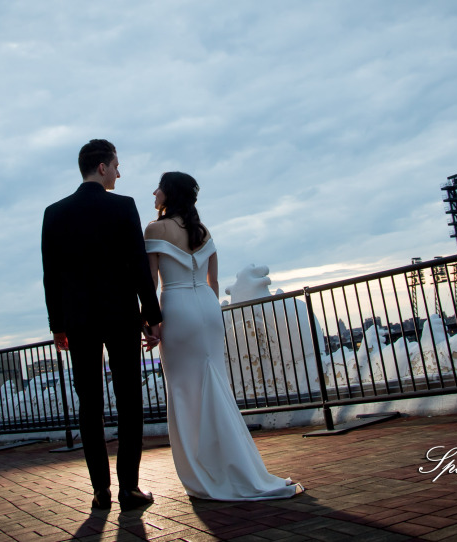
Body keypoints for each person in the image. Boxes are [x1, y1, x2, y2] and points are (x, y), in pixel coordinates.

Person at [144, 172, 303, 501]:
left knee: (184, 392)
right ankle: (236, 465)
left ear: (170, 193)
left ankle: (203, 472)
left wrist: (151, 324)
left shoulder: (154, 229)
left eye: (159, 187)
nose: (154, 192)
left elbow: (151, 285)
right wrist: (206, 308)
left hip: (177, 309)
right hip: (207, 308)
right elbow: (213, 283)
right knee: (215, 384)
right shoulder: (204, 232)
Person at [41, 139, 162, 512]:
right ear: (103, 167)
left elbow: (51, 275)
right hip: (121, 315)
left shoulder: (55, 212)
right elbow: (139, 267)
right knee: (129, 401)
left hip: (78, 321)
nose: (119, 173)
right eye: (116, 165)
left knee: (88, 404)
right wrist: (152, 316)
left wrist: (57, 324)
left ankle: (99, 492)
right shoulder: (123, 207)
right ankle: (129, 489)